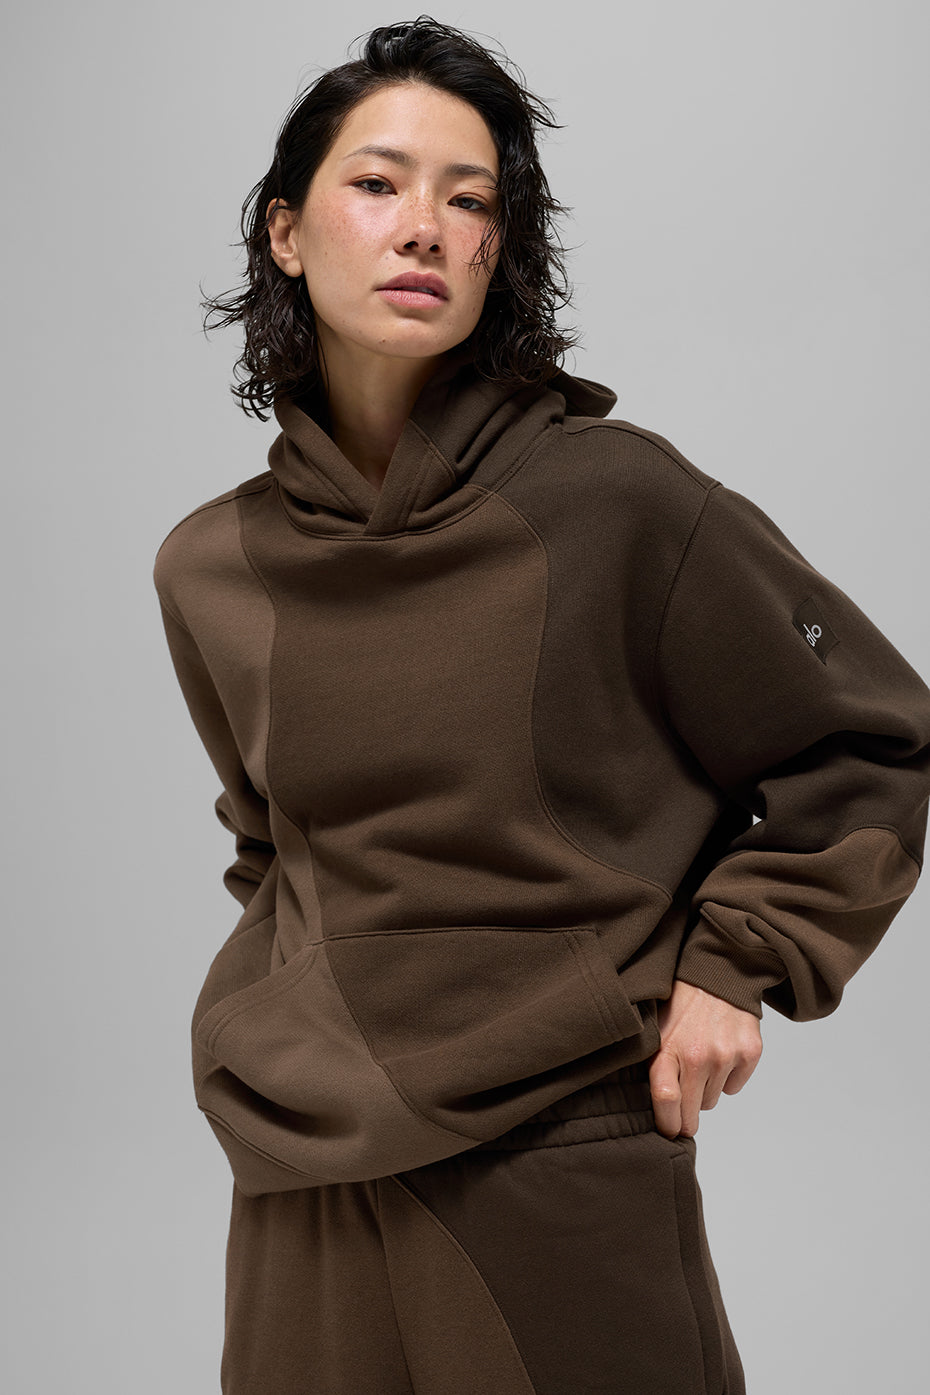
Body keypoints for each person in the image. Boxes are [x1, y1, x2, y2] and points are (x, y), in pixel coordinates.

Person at [152, 16, 930, 1395]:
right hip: (300, 1162)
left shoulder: (618, 500)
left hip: (556, 1135)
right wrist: (279, 1009)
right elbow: (271, 844)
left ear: (497, 253)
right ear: (285, 232)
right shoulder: (213, 562)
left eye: (471, 202)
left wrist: (735, 964)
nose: (425, 228)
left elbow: (870, 737)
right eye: (377, 184)